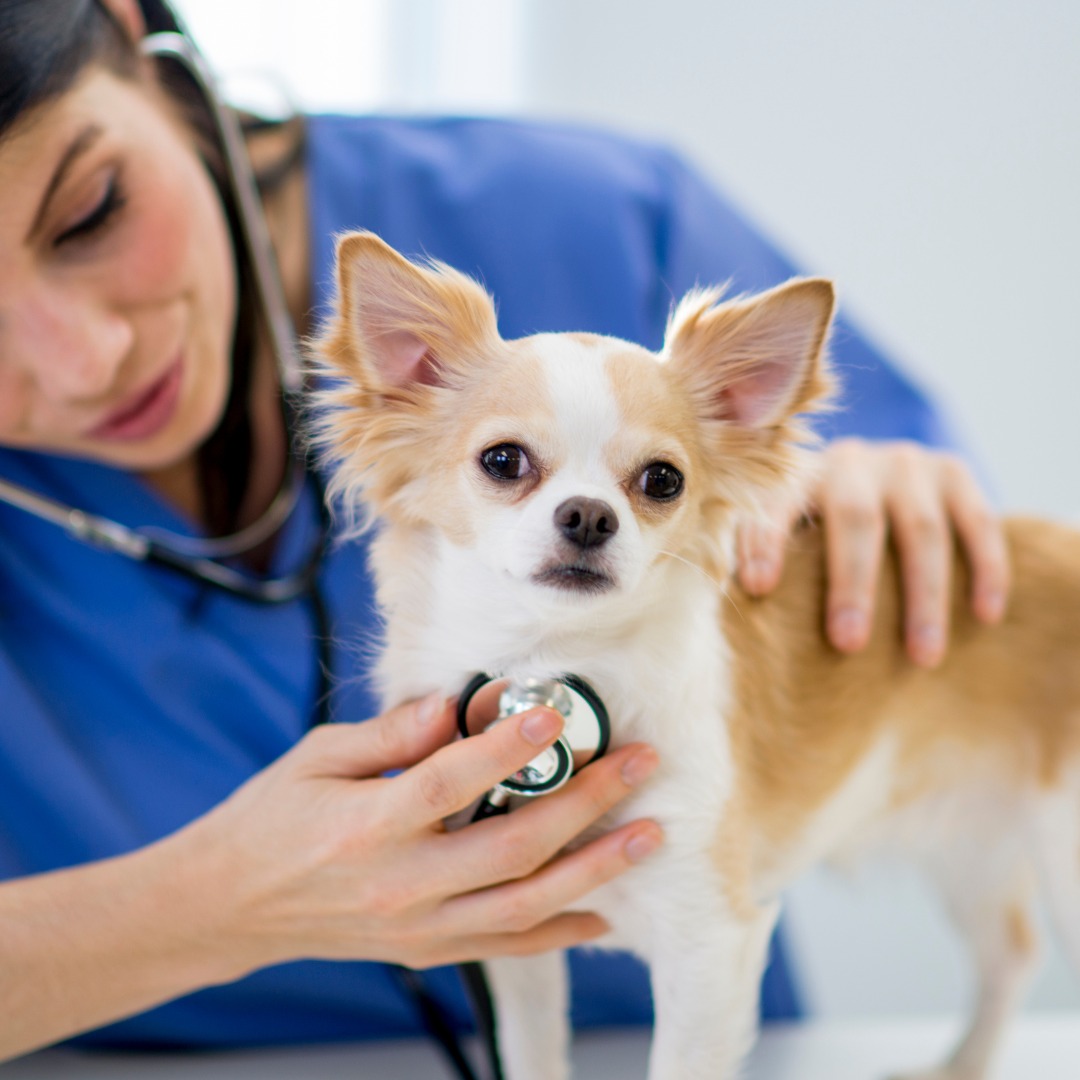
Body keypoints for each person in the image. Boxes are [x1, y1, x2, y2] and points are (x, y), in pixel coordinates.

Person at [0, 0, 1011, 1067]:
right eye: (506, 464)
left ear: (133, 25)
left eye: (90, 212)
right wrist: (197, 910)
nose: (85, 357)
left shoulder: (601, 213)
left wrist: (894, 501)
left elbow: (934, 549)